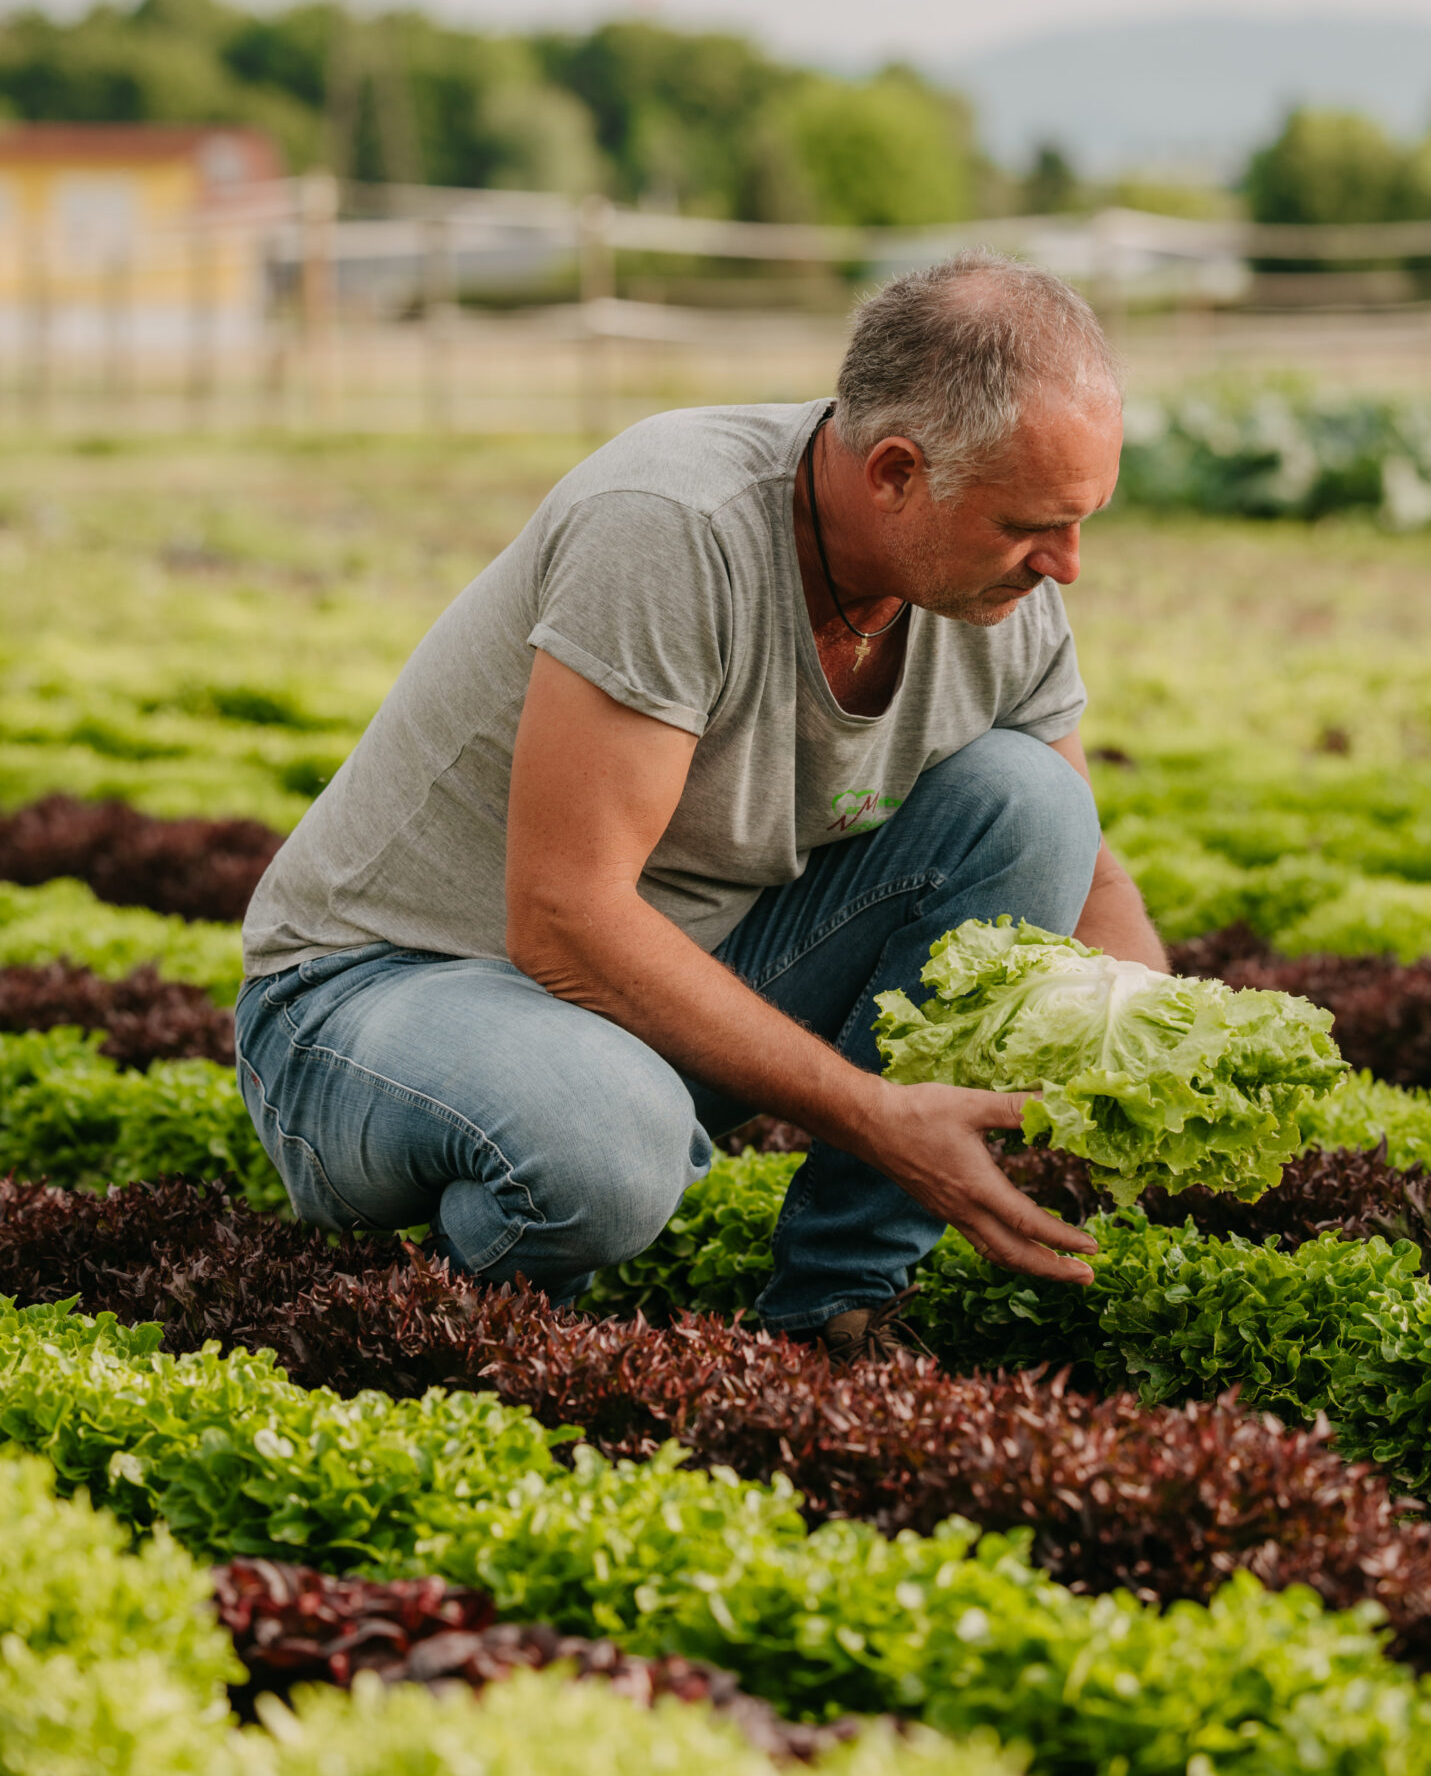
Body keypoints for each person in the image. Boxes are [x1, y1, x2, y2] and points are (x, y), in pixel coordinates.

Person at [237, 251, 1166, 1361]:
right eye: (1032, 523)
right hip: (376, 995)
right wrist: (873, 1113)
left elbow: (1090, 869)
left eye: (1082, 521)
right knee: (604, 1147)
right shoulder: (672, 525)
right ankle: (430, 1322)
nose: (1066, 564)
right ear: (895, 473)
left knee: (1033, 807)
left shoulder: (999, 593)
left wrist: (1160, 1050)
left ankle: (841, 1312)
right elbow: (564, 918)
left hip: (643, 1001)